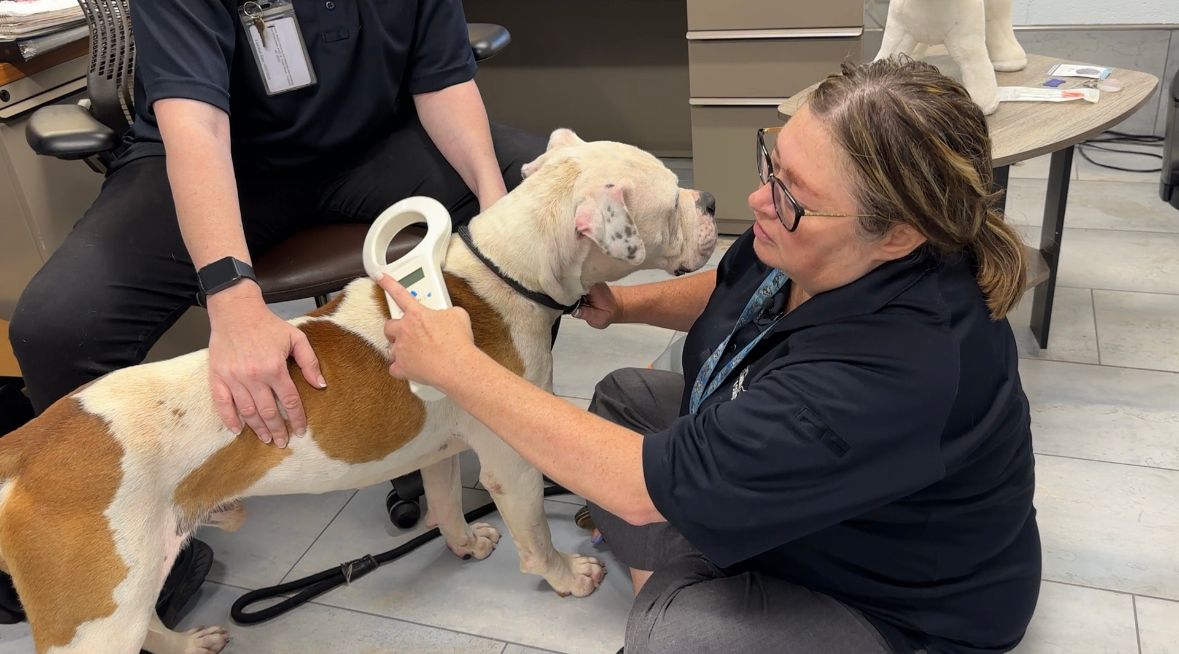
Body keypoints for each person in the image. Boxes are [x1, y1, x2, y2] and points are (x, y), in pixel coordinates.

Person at [376, 58, 1041, 653]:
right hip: (808, 488)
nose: (759, 199)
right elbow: (739, 287)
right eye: (770, 164)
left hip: (897, 598)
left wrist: (459, 369)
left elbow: (635, 488)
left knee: (676, 634)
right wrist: (630, 306)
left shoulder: (892, 370)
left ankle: (691, 571)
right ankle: (703, 538)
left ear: (896, 233)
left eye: (789, 193)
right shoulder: (802, 233)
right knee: (621, 399)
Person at [4, 0, 545, 626]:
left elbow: (443, 80)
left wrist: (498, 209)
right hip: (224, 156)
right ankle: (138, 549)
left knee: (542, 221)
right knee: (59, 326)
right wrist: (234, 302)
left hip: (372, 148)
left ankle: (453, 425)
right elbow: (196, 127)